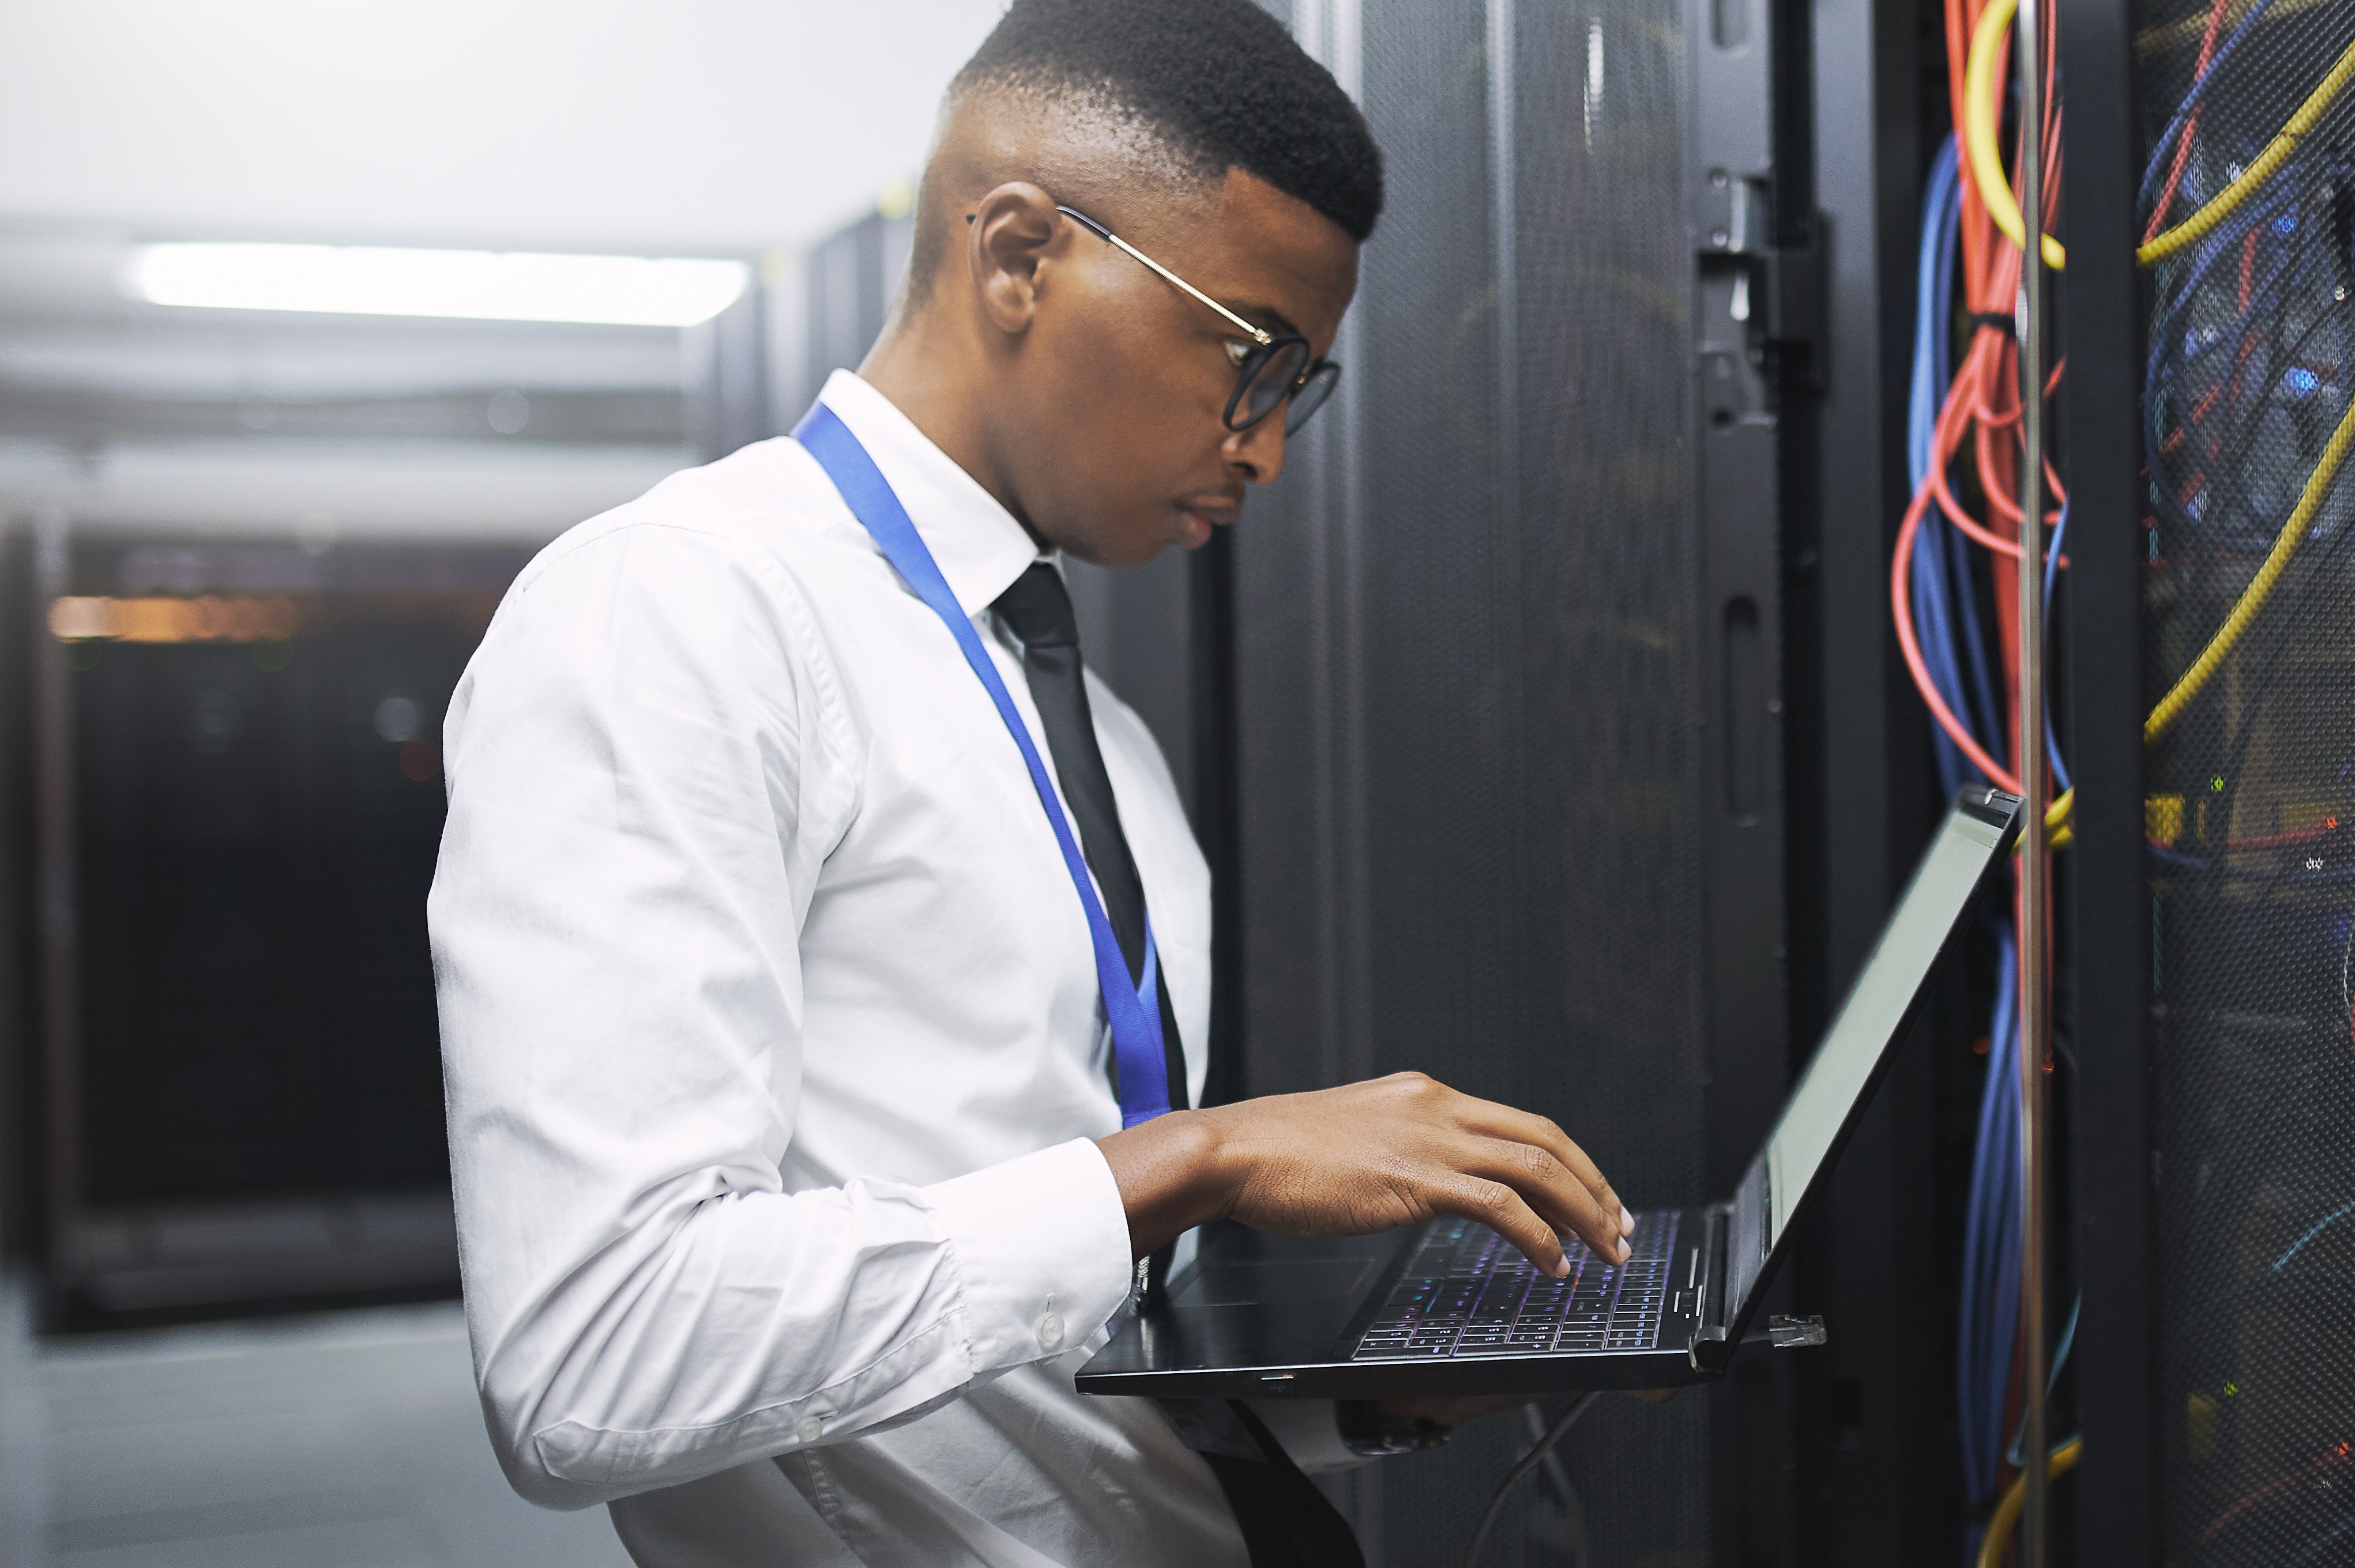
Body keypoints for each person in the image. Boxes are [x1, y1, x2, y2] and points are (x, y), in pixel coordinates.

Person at [429, 2, 1626, 1562]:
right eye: (1250, 356)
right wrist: (1196, 1162)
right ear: (1017, 256)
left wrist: (1366, 1396)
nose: (1264, 451)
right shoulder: (676, 612)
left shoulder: (1092, 730)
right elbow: (598, 1356)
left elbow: (1038, 1355)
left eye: (1300, 389)